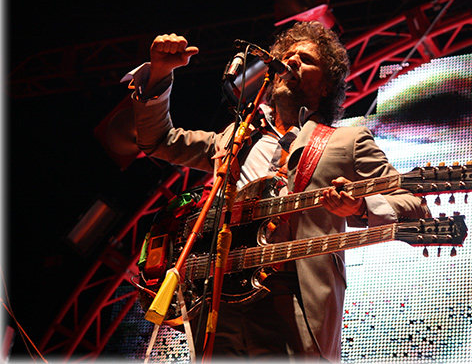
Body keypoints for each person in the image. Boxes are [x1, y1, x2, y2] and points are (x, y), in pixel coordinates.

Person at [126, 21, 430, 361]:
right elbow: (157, 141)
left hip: (294, 293)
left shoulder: (348, 141)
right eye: (288, 55)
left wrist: (360, 207)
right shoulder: (236, 136)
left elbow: (414, 205)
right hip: (220, 293)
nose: (292, 60)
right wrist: (159, 74)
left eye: (307, 59)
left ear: (326, 86)